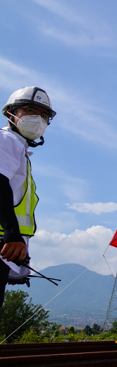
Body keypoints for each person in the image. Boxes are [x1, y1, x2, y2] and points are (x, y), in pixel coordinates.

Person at [0, 87, 55, 308]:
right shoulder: (6, 140)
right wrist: (12, 235)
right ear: (11, 114)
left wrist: (17, 261)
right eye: (30, 110)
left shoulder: (18, 148)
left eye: (43, 116)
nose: (38, 119)